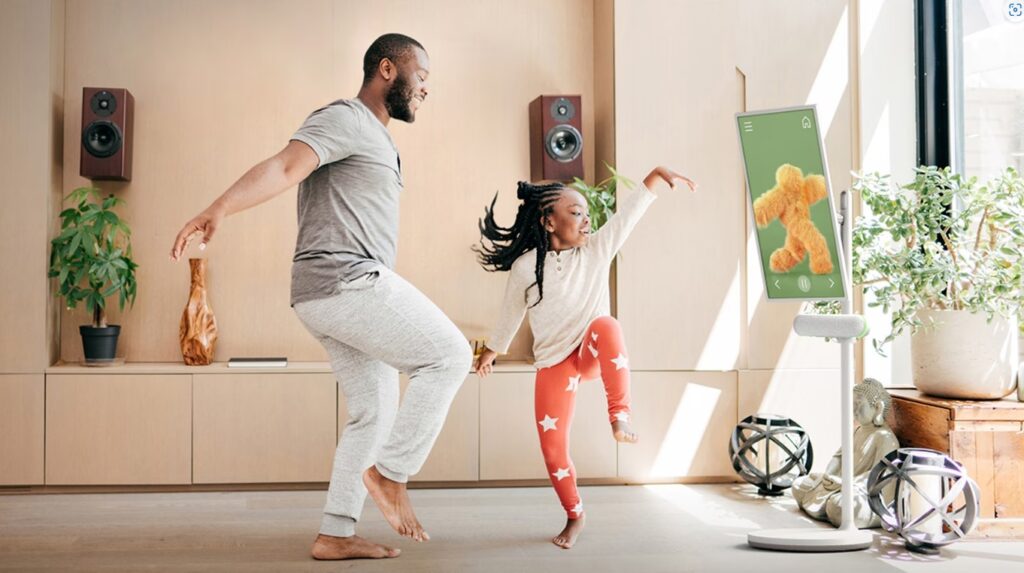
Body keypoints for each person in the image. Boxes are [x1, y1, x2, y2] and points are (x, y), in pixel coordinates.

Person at [170, 33, 472, 561]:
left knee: (374, 411)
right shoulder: (346, 118)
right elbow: (286, 166)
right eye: (420, 76)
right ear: (387, 70)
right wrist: (219, 208)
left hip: (326, 293)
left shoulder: (377, 138)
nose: (426, 88)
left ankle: (335, 532)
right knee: (449, 355)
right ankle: (392, 475)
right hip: (345, 280)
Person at [472, 166, 697, 549]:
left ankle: (619, 414)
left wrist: (655, 177)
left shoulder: (596, 250)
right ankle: (575, 514)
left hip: (590, 353)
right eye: (576, 212)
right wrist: (491, 352)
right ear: (548, 222)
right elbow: (510, 315)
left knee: (607, 325)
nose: (586, 219)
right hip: (555, 363)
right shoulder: (527, 267)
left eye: (586, 212)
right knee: (553, 448)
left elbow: (628, 216)